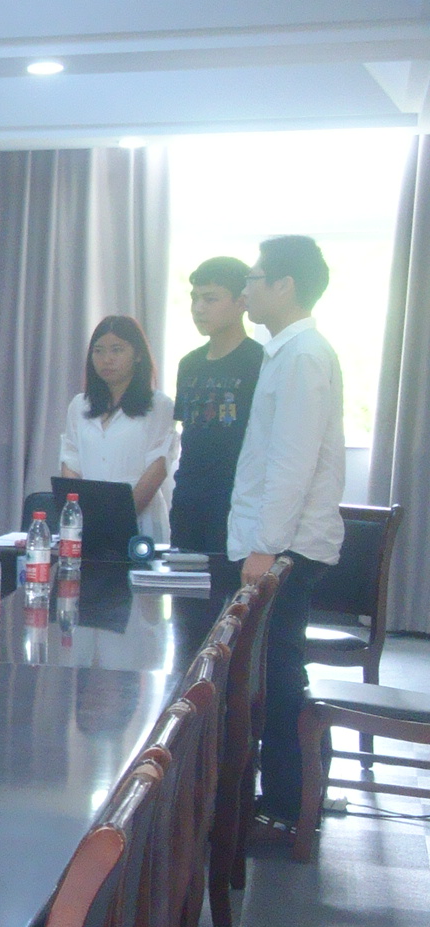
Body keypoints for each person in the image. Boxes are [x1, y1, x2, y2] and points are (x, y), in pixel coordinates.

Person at [230, 235, 345, 840]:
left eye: (254, 279)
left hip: (286, 548)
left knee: (277, 678)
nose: (246, 289)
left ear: (285, 286)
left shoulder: (303, 355)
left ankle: (287, 808)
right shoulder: (287, 351)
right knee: (270, 675)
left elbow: (292, 463)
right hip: (277, 542)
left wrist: (266, 546)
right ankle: (282, 800)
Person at [171, 256, 264, 571]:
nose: (198, 308)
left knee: (229, 595)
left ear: (241, 302)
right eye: (194, 298)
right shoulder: (189, 364)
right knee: (183, 594)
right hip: (187, 503)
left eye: (210, 299)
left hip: (236, 505)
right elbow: (190, 436)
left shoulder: (260, 362)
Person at [59, 315, 178, 545]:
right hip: (88, 524)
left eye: (117, 350)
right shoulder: (79, 405)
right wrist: (83, 515)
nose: (107, 359)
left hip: (140, 522)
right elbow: (71, 462)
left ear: (138, 355)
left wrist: (117, 520)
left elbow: (157, 467)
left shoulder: (158, 406)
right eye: (99, 351)